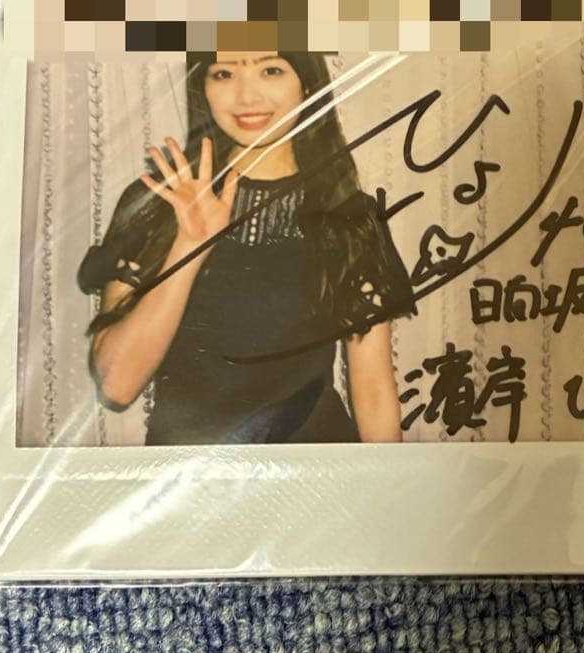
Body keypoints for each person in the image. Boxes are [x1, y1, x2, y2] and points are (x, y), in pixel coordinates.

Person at [77, 51, 416, 444]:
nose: (247, 96)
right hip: (192, 471)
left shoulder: (349, 215)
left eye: (271, 70)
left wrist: (389, 481)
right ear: (202, 88)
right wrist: (190, 245)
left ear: (307, 83)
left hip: (311, 468)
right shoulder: (158, 202)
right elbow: (117, 386)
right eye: (224, 74)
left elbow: (374, 391)